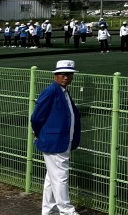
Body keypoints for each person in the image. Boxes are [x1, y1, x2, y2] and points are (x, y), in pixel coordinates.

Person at [30, 60, 82, 215]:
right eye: (62, 74)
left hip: (62, 141)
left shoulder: (63, 91)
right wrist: (38, 133)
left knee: (51, 178)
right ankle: (66, 211)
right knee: (60, 177)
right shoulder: (51, 91)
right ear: (55, 75)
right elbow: (36, 117)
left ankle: (49, 210)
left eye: (69, 74)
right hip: (55, 142)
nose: (66, 77)